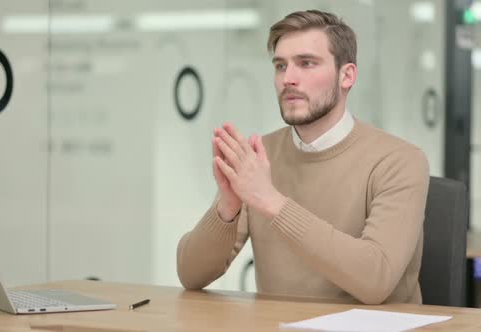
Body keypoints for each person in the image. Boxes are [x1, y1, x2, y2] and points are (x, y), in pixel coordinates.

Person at [176, 9, 429, 305]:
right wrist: (227, 208)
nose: (288, 79)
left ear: (346, 76)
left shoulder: (400, 161)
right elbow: (190, 275)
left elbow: (376, 280)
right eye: (280, 66)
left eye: (306, 63)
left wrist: (270, 201)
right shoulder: (261, 157)